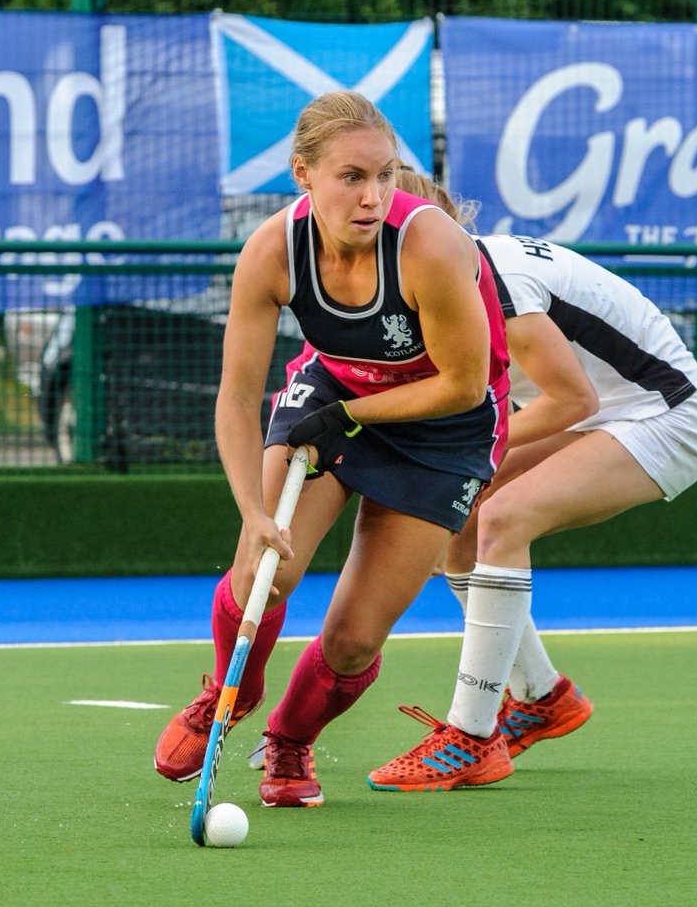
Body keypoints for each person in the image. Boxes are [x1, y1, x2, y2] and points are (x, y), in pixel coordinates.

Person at [153, 92, 512, 806]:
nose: (373, 196)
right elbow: (234, 398)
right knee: (261, 571)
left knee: (351, 640)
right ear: (303, 175)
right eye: (351, 177)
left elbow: (466, 385)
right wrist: (254, 511)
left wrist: (351, 415)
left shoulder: (432, 247)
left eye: (385, 176)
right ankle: (231, 692)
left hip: (444, 427)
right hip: (334, 395)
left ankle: (290, 738)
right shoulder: (271, 252)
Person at [365, 169, 697, 792]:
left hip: (667, 413)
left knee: (503, 518)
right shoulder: (442, 282)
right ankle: (544, 696)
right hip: (607, 411)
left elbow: (571, 398)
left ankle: (471, 737)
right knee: (465, 519)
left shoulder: (491, 285)